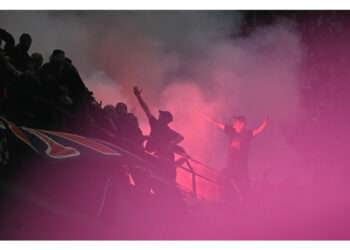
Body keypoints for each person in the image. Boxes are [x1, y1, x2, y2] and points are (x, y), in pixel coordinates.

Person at [203, 114, 269, 196]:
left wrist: (265, 123)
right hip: (231, 165)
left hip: (241, 167)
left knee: (241, 186)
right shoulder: (230, 130)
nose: (234, 123)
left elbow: (258, 131)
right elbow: (216, 123)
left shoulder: (247, 134)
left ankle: (245, 200)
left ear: (242, 124)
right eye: (234, 121)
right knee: (227, 181)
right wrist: (203, 115)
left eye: (236, 121)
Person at [134, 86, 183, 181]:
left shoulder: (165, 129)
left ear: (165, 119)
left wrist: (171, 144)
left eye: (161, 115)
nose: (159, 115)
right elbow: (146, 109)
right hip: (152, 157)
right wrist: (138, 97)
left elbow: (181, 137)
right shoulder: (157, 124)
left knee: (149, 177)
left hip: (154, 158)